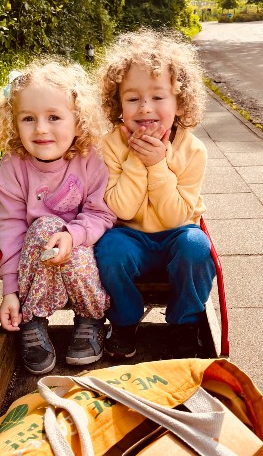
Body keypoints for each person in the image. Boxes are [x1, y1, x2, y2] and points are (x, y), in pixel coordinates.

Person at [94, 29, 216, 359]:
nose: (145, 107)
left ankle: (184, 322)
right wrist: (136, 161)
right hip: (130, 235)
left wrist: (159, 164)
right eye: (133, 99)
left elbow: (176, 215)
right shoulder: (111, 145)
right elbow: (121, 208)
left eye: (158, 97)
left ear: (179, 103)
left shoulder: (192, 150)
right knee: (108, 250)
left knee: (198, 248)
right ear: (118, 105)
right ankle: (124, 319)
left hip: (177, 233)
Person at [0, 59, 116, 375]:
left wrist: (73, 235)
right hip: (36, 264)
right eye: (28, 118)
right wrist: (10, 292)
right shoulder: (12, 170)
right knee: (44, 226)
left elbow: (101, 213)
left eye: (54, 117)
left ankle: (90, 319)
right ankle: (33, 320)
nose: (41, 129)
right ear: (13, 122)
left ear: (78, 120)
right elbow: (10, 229)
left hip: (82, 258)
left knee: (63, 232)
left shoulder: (91, 161)